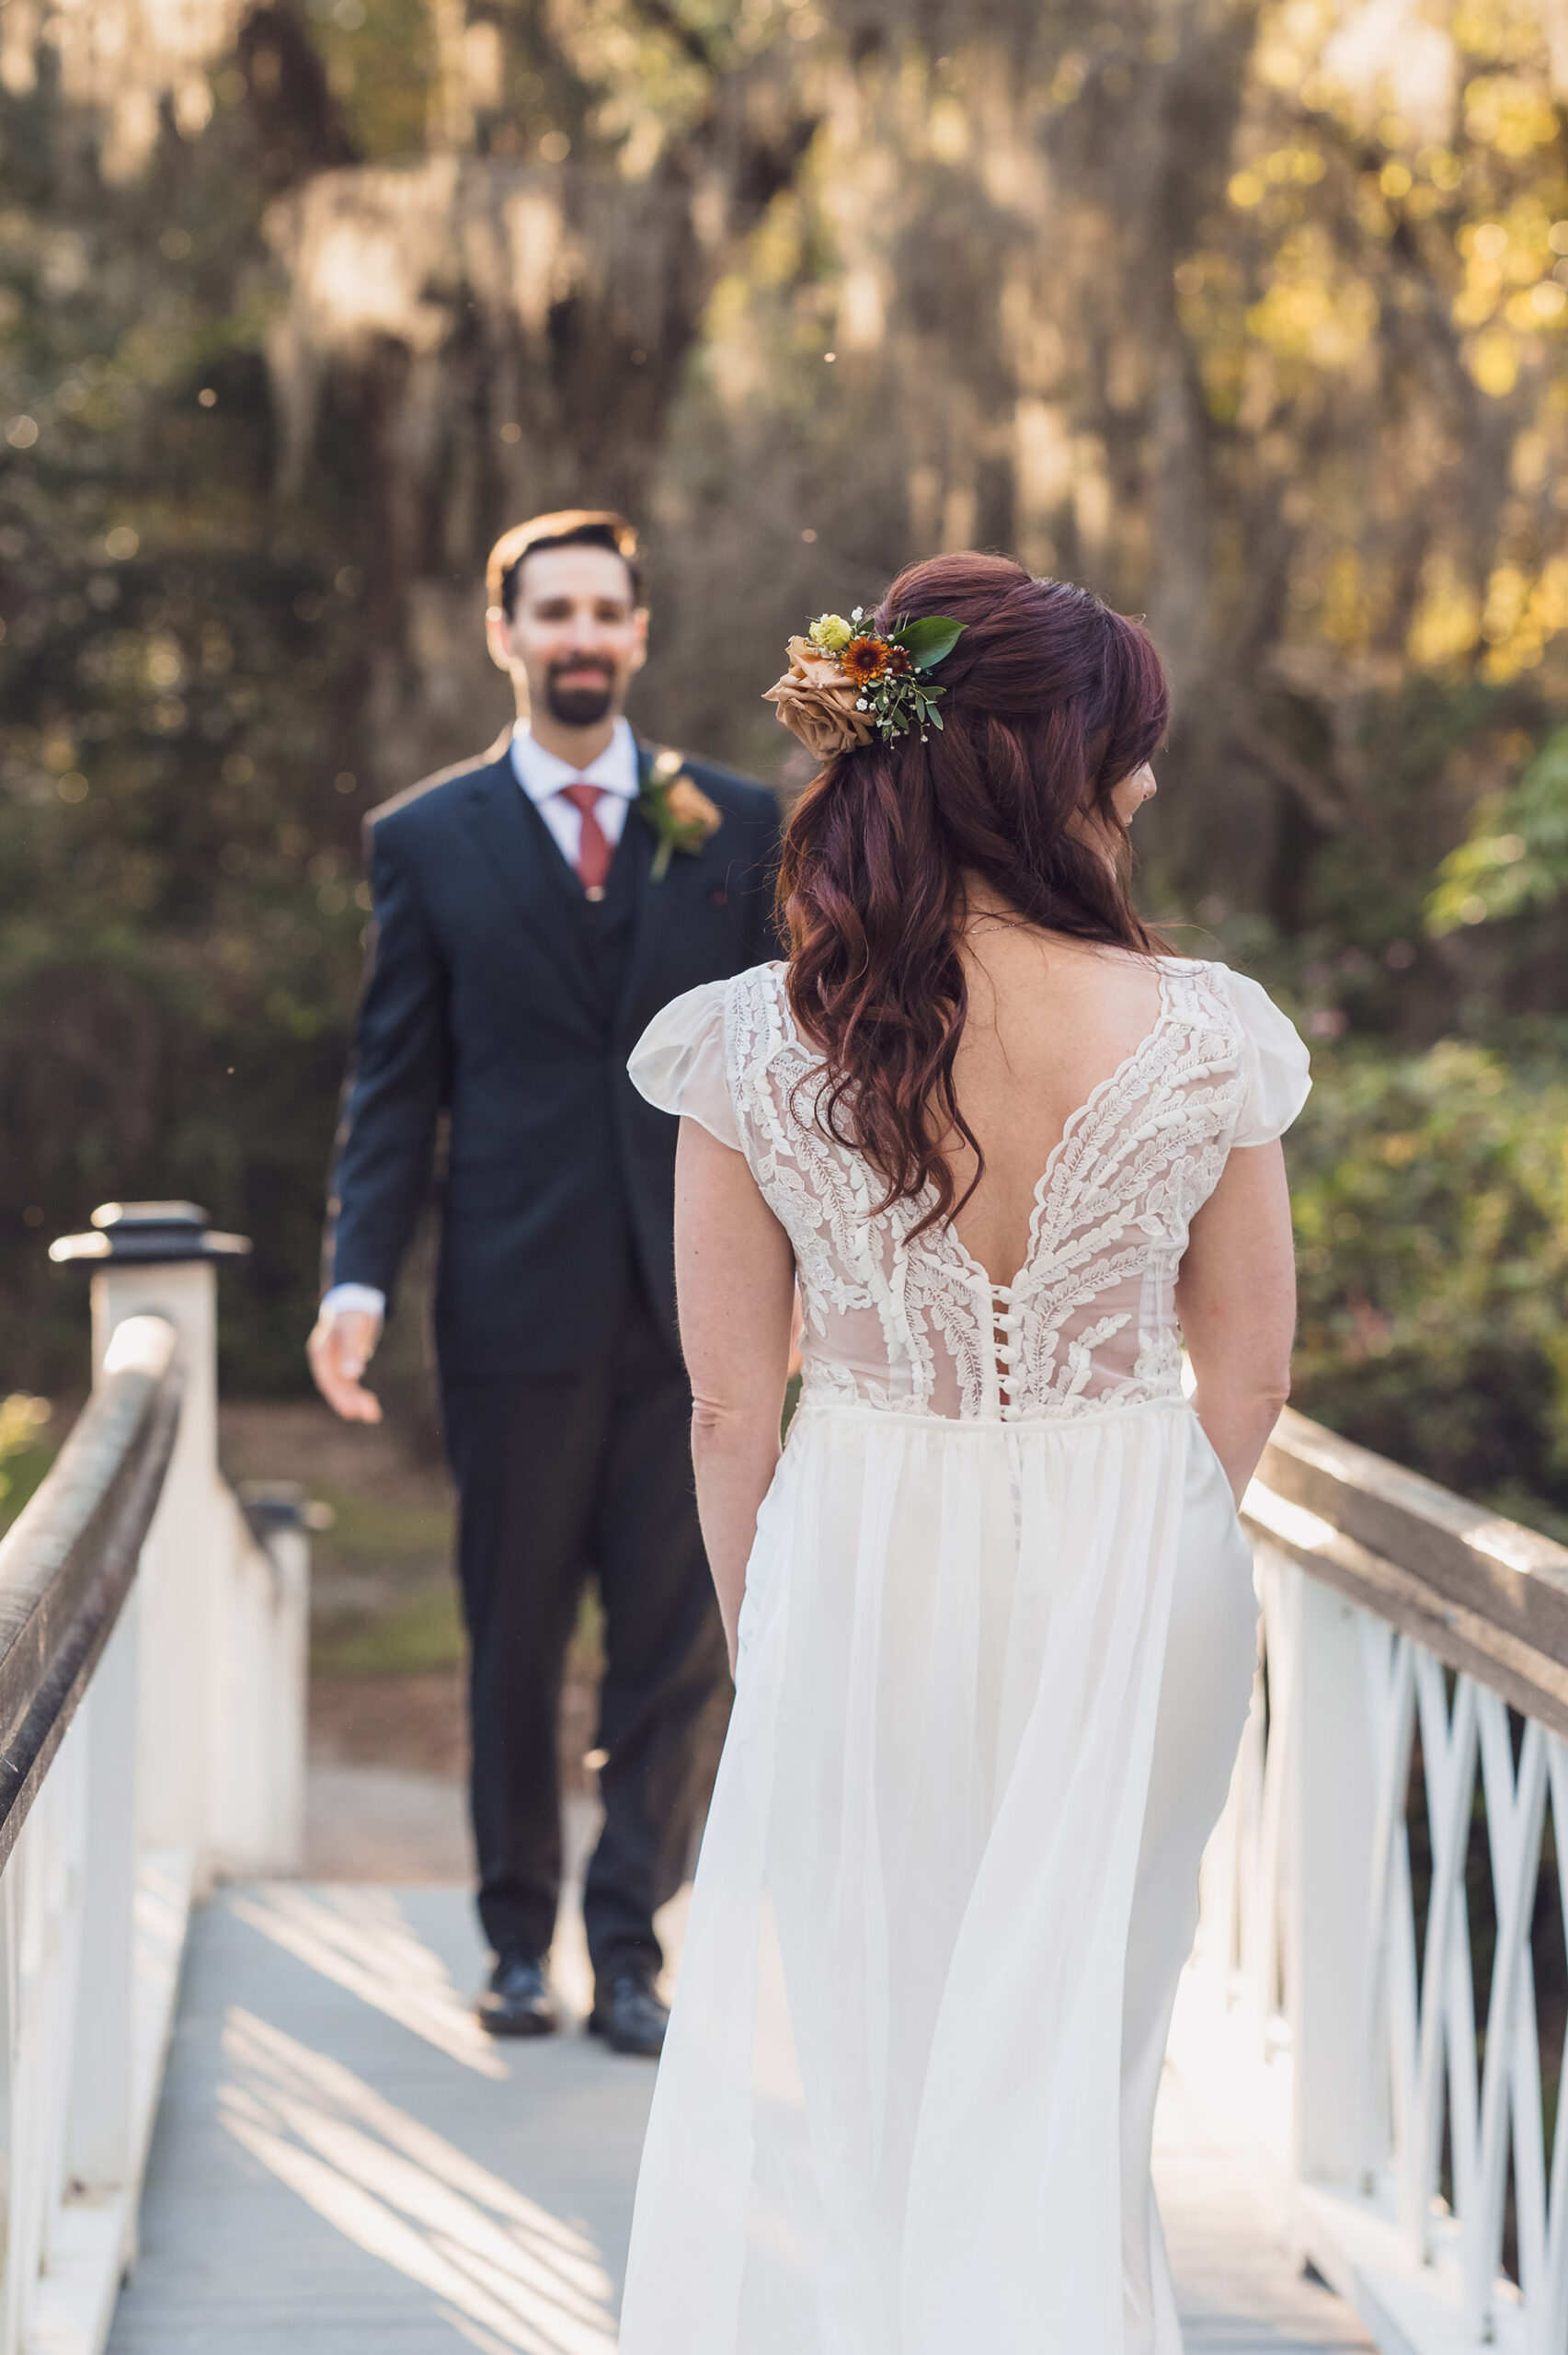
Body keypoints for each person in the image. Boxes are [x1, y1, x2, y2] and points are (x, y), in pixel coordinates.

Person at [618, 552, 1309, 2349]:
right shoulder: (1206, 1030)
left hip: (853, 1553)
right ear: (1045, 760)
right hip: (1135, 1549)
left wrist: (771, 1611)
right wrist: (1148, 1535)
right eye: (1125, 744)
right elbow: (1246, 1367)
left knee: (868, 2049)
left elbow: (725, 1398)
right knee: (1079, 2051)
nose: (1142, 781)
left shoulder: (756, 1043)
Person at [309, 509, 780, 2056]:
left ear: (640, 634)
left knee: (673, 1639)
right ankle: (516, 1941)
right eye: (550, 611)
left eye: (605, 611)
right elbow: (395, 1085)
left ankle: (632, 1946)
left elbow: (792, 1062)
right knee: (511, 1634)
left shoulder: (740, 823)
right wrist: (356, 1280)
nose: (579, 636)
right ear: (501, 633)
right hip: (510, 1304)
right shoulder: (424, 840)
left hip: (699, 1308)